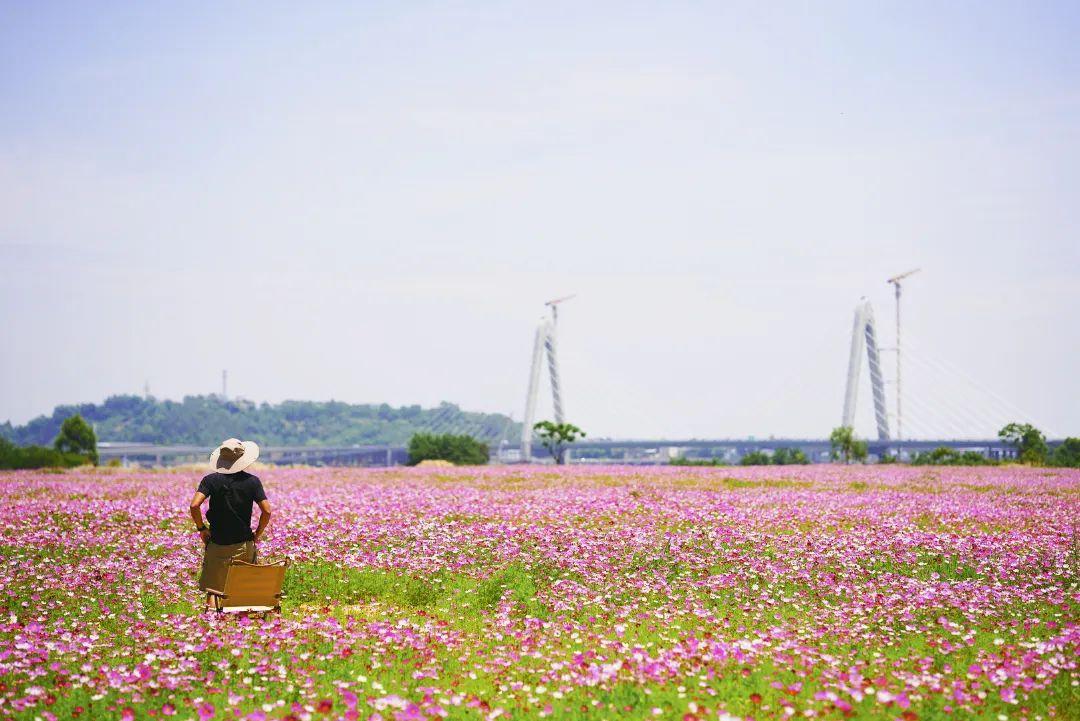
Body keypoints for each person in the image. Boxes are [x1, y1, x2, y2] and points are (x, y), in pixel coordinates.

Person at [189, 438, 272, 597]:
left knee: (213, 592)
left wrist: (201, 528)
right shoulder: (252, 481)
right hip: (243, 545)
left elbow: (194, 505)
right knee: (243, 591)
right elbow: (267, 511)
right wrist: (258, 533)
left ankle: (213, 613)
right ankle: (240, 614)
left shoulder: (210, 480)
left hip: (217, 543)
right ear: (242, 459)